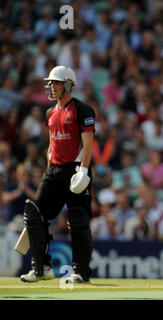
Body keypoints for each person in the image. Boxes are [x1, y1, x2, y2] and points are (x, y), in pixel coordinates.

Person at [20, 66, 96, 284]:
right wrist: (48, 169)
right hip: (54, 169)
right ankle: (41, 267)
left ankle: (80, 271)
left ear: (69, 85)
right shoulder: (49, 112)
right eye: (51, 83)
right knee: (34, 214)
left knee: (78, 218)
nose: (52, 87)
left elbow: (88, 142)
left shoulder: (83, 110)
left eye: (57, 83)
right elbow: (53, 142)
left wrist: (83, 169)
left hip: (75, 169)